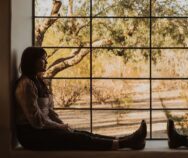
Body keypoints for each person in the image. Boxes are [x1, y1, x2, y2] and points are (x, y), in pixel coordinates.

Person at [15, 47, 147, 150]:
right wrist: (60, 127)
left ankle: (127, 140)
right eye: (43, 59)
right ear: (32, 60)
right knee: (80, 138)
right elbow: (36, 121)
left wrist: (62, 126)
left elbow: (50, 112)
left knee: (82, 133)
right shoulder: (26, 84)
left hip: (43, 130)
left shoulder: (39, 81)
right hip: (32, 135)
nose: (46, 62)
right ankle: (126, 143)